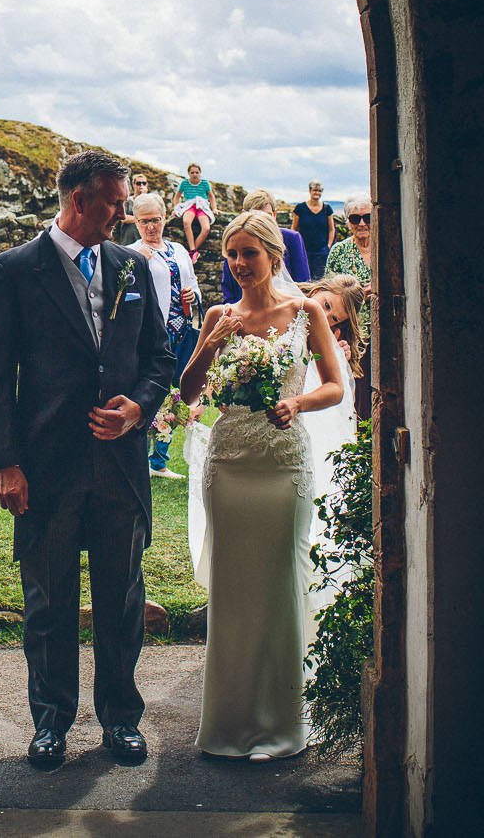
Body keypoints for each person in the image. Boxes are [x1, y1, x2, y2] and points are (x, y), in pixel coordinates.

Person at [0, 149, 177, 771]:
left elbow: (159, 360)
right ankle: (51, 722)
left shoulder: (129, 267)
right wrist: (5, 463)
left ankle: (121, 720)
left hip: (119, 467)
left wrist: (138, 410)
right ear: (78, 200)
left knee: (121, 597)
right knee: (49, 602)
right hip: (46, 465)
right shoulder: (15, 269)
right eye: (116, 204)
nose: (124, 215)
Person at [175, 211, 346, 760]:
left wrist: (295, 403)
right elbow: (189, 389)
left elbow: (334, 387)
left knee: (277, 587)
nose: (240, 264)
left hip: (283, 466)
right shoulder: (219, 314)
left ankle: (279, 725)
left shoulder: (305, 310)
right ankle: (227, 725)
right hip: (229, 465)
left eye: (250, 253)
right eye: (232, 254)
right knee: (233, 590)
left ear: (274, 255)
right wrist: (210, 342)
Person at [131, 192, 200, 477]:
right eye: (144, 221)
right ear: (136, 222)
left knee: (176, 395)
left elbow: (193, 282)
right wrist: (140, 262)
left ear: (165, 218)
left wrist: (192, 295)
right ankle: (138, 456)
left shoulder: (179, 250)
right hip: (150, 334)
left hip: (181, 330)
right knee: (148, 393)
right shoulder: (132, 252)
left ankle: (159, 460)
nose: (151, 227)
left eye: (156, 220)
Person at [218, 190, 311, 303]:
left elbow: (303, 280)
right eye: (255, 215)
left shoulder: (291, 238)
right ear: (244, 215)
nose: (262, 222)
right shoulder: (236, 241)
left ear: (275, 215)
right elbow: (229, 288)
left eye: (267, 216)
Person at [303, 272, 369, 422]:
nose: (324, 316)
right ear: (317, 291)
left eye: (334, 318)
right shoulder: (285, 302)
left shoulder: (331, 337)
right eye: (326, 305)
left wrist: (336, 358)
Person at [323, 194, 376, 356]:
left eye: (367, 218)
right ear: (347, 222)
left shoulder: (386, 246)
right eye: (354, 219)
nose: (361, 224)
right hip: (352, 331)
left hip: (387, 326)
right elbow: (328, 290)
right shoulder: (339, 251)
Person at [293, 181, 336, 279]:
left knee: (319, 280)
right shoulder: (300, 208)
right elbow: (294, 229)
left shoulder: (327, 208)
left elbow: (331, 229)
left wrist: (328, 246)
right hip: (303, 250)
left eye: (319, 191)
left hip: (321, 252)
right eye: (315, 190)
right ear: (310, 191)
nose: (317, 193)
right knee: (304, 278)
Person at [171, 162, 215, 255]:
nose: (194, 174)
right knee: (186, 222)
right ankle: (193, 250)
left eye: (196, 172)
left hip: (202, 206)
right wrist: (176, 208)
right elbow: (177, 196)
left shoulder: (205, 183)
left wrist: (214, 208)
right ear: (188, 173)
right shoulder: (184, 183)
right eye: (192, 172)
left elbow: (211, 196)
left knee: (206, 228)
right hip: (189, 206)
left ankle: (192, 251)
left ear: (200, 173)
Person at [114, 171, 149, 246]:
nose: (141, 185)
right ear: (133, 184)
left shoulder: (148, 202)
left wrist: (144, 197)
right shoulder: (127, 201)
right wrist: (142, 220)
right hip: (127, 241)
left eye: (144, 183)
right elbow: (124, 218)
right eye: (138, 183)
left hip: (142, 241)